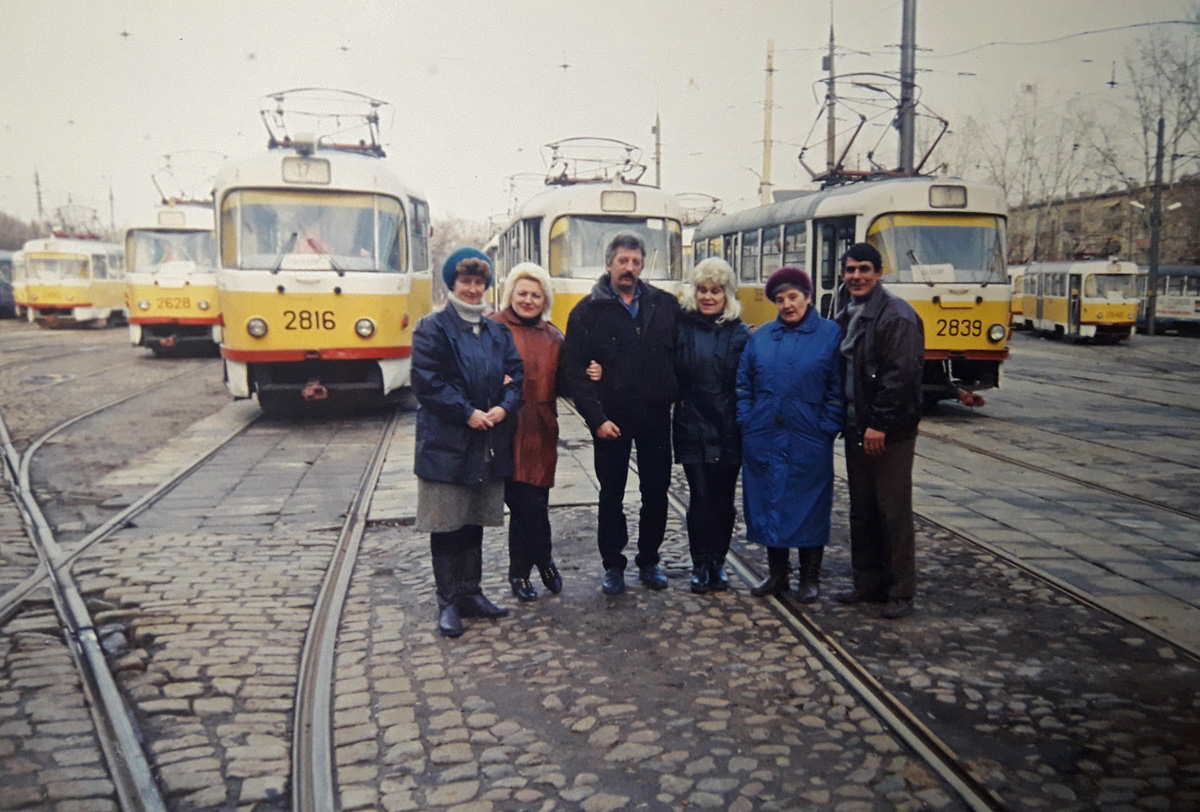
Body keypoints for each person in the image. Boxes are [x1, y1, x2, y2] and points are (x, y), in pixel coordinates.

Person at [412, 247, 524, 637]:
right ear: (452, 284)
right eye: (466, 282)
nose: (474, 289)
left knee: (472, 518)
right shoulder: (433, 328)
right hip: (447, 442)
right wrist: (467, 411)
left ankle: (471, 593)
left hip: (485, 440)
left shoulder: (496, 330)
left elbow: (516, 375)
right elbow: (428, 382)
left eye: (480, 282)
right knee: (446, 522)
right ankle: (448, 602)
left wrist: (504, 407)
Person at [562, 232, 681, 595]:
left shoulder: (664, 305)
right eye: (622, 261)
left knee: (656, 491)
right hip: (611, 418)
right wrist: (595, 419)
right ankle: (613, 564)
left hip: (655, 415)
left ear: (643, 265)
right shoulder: (587, 311)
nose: (629, 268)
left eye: (635, 261)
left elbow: (683, 352)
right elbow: (573, 371)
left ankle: (650, 560)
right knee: (611, 494)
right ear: (609, 264)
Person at [736, 266, 843, 603]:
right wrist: (748, 420)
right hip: (765, 435)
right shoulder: (762, 337)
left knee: (810, 504)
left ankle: (810, 578)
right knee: (770, 500)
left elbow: (837, 389)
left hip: (808, 436)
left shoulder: (830, 335)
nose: (787, 305)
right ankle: (777, 575)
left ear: (808, 298)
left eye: (793, 297)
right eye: (780, 299)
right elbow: (744, 385)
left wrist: (826, 427)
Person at [834, 242, 924, 620]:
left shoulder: (897, 317)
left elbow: (900, 378)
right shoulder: (847, 314)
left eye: (864, 270)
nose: (857, 276)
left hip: (887, 433)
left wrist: (879, 424)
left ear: (878, 273)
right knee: (863, 510)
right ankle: (868, 583)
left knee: (892, 511)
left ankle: (900, 591)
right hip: (857, 428)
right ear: (843, 275)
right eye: (851, 270)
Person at [673, 258, 751, 594]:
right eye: (702, 290)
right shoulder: (682, 327)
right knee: (700, 497)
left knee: (723, 498)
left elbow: (749, 378)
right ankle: (700, 562)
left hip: (728, 424)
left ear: (726, 294)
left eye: (715, 291)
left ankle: (719, 560)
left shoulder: (740, 331)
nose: (708, 297)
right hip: (692, 421)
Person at [488, 263, 565, 602]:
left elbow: (568, 377)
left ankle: (520, 573)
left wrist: (594, 371)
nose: (529, 300)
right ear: (510, 294)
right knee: (521, 504)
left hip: (540, 428)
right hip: (504, 425)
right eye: (522, 293)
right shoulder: (492, 327)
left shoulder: (554, 336)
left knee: (534, 502)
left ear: (544, 298)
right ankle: (542, 561)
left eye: (536, 294)